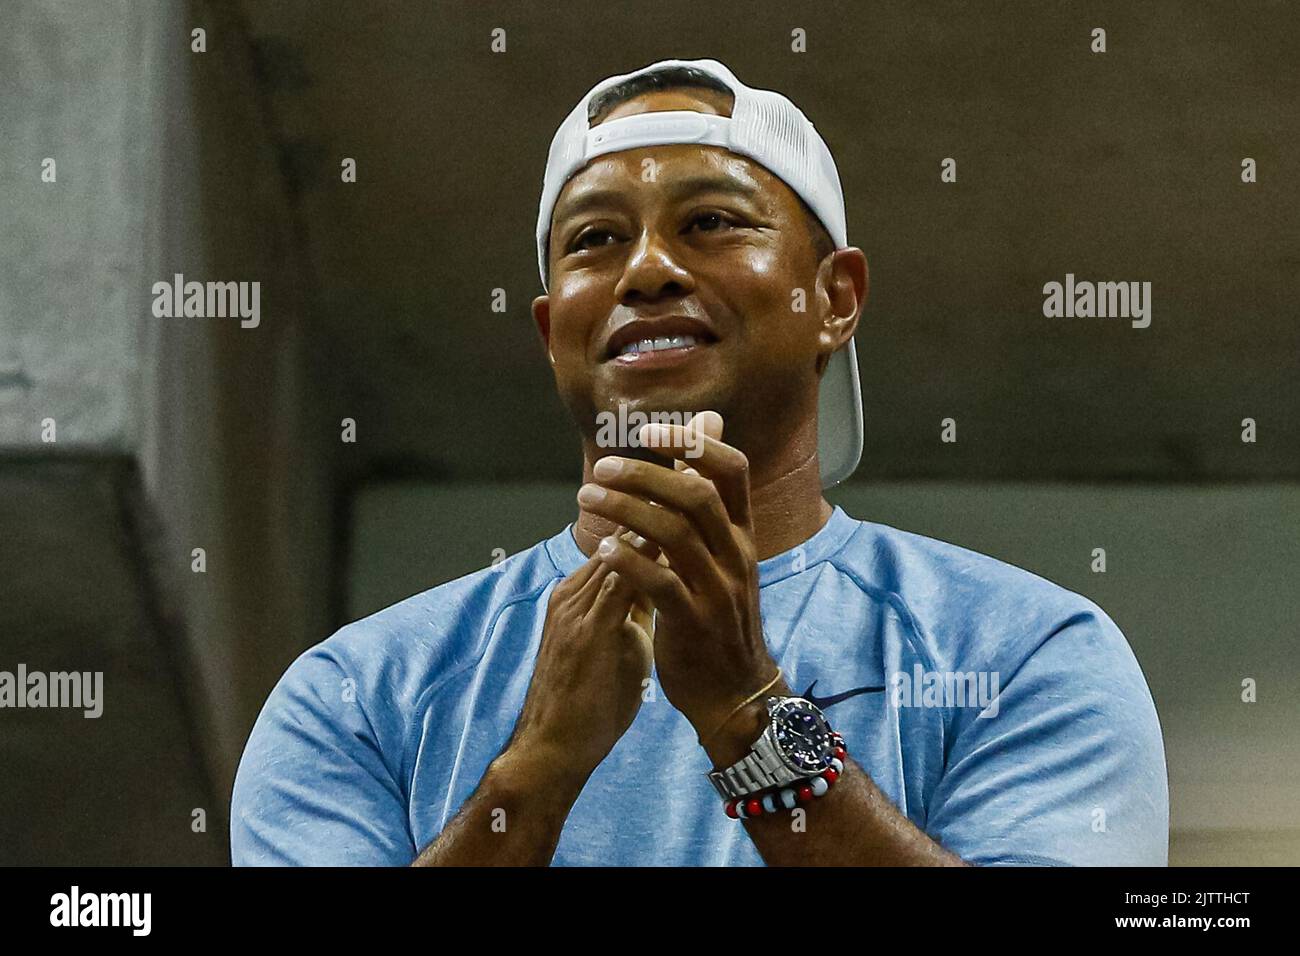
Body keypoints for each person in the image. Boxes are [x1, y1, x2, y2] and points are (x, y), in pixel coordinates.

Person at [230, 58, 1168, 866]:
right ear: (555, 333)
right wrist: (538, 770)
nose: (645, 270)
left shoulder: (1024, 651)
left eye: (711, 221)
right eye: (596, 239)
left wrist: (750, 718)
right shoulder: (354, 693)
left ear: (835, 299)